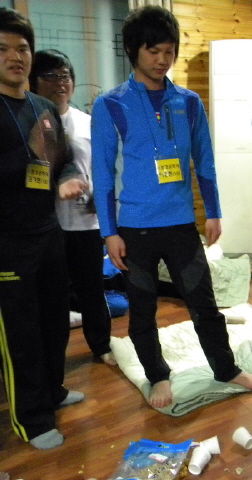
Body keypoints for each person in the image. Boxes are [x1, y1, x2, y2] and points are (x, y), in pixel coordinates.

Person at [91, 5, 252, 409]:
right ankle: (158, 374)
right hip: (133, 227)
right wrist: (109, 232)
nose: (162, 60)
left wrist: (214, 211)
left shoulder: (188, 101)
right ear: (133, 50)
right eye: (153, 51)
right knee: (142, 310)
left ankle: (226, 369)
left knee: (205, 303)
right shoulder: (111, 104)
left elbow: (204, 160)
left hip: (180, 223)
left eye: (169, 51)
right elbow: (102, 174)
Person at [0, 7, 88, 449]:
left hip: (49, 234)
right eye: (2, 49)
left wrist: (68, 176)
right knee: (22, 334)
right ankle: (31, 420)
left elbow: (63, 158)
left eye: (22, 48)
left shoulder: (43, 107)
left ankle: (53, 391)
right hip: (7, 243)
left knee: (55, 321)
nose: (15, 57)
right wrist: (27, 161)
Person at [29, 49, 116, 366]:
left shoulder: (88, 123)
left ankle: (101, 345)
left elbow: (104, 169)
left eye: (65, 75)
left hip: (85, 222)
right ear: (35, 82)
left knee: (92, 289)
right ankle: (52, 356)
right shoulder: (31, 122)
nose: (60, 83)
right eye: (50, 76)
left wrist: (100, 198)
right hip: (47, 224)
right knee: (50, 294)